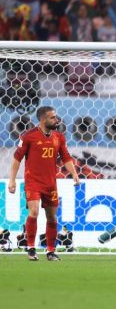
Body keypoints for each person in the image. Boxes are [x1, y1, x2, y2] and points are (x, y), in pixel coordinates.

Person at [8, 106, 80, 261]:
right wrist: (12, 180)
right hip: (33, 182)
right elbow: (17, 158)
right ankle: (31, 248)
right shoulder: (28, 136)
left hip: (50, 183)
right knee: (33, 212)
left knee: (52, 217)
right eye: (52, 117)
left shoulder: (59, 137)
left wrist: (74, 174)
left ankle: (50, 251)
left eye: (56, 117)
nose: (56, 120)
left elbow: (66, 157)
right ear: (42, 119)